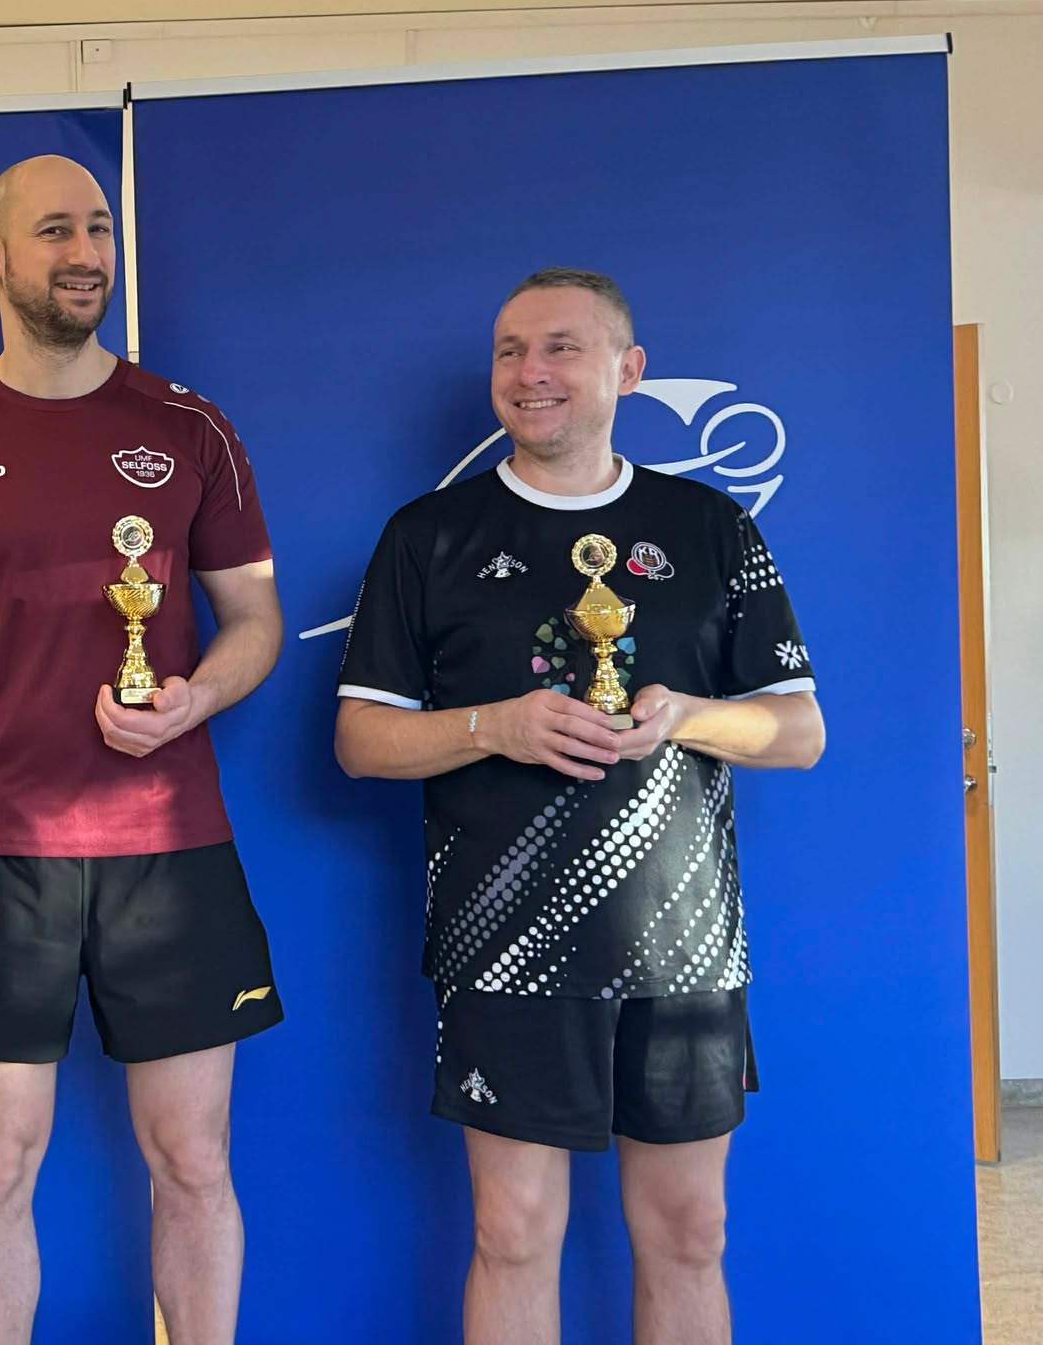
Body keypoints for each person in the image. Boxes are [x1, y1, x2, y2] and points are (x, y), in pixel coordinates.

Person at [334, 268, 826, 1345]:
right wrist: (491, 727)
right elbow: (360, 740)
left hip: (685, 949)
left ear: (627, 369)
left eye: (560, 347)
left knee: (690, 1233)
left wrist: (686, 716)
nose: (530, 372)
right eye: (509, 351)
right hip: (502, 948)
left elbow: (798, 733)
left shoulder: (708, 526)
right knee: (511, 1234)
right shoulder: (428, 535)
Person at [0, 154, 284, 1345]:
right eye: (54, 231)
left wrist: (192, 700)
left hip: (170, 848)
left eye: (97, 228)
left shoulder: (189, 427)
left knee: (192, 1159)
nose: (85, 253)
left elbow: (255, 621)